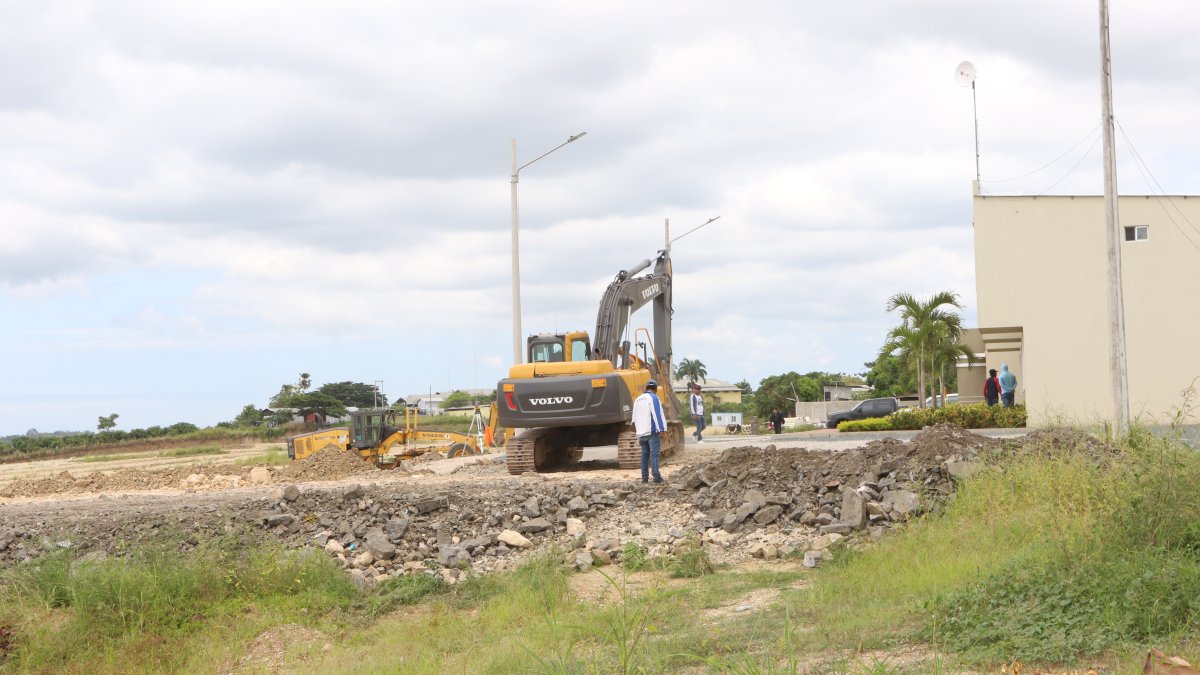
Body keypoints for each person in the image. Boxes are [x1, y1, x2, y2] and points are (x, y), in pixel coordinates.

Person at [631, 379, 667, 483]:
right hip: (651, 432)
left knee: (644, 455)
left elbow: (634, 418)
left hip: (641, 433)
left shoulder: (637, 399)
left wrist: (637, 430)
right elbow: (657, 414)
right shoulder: (654, 397)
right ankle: (656, 477)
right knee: (654, 455)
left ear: (646, 388)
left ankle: (644, 478)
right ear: (655, 389)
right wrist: (662, 429)